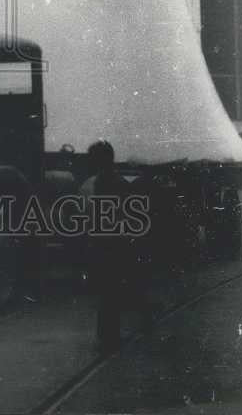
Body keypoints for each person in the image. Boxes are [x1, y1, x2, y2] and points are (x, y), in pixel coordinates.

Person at [81, 140, 152, 351]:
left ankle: (110, 335)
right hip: (114, 243)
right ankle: (117, 331)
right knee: (116, 288)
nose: (90, 162)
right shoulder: (111, 180)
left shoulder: (108, 182)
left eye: (93, 158)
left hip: (113, 244)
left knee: (111, 290)